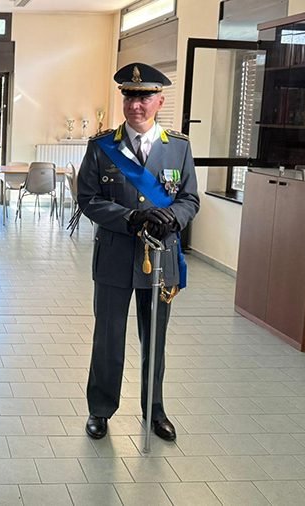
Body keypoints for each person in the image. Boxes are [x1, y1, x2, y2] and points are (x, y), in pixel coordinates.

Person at [77, 62, 199, 443]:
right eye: (129, 96)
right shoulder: (102, 147)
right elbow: (87, 198)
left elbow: (190, 198)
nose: (136, 105)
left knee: (155, 339)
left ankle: (154, 408)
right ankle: (100, 409)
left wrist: (172, 218)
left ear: (160, 101)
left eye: (144, 97)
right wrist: (130, 217)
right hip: (115, 256)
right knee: (108, 338)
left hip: (161, 259)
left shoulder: (178, 147)